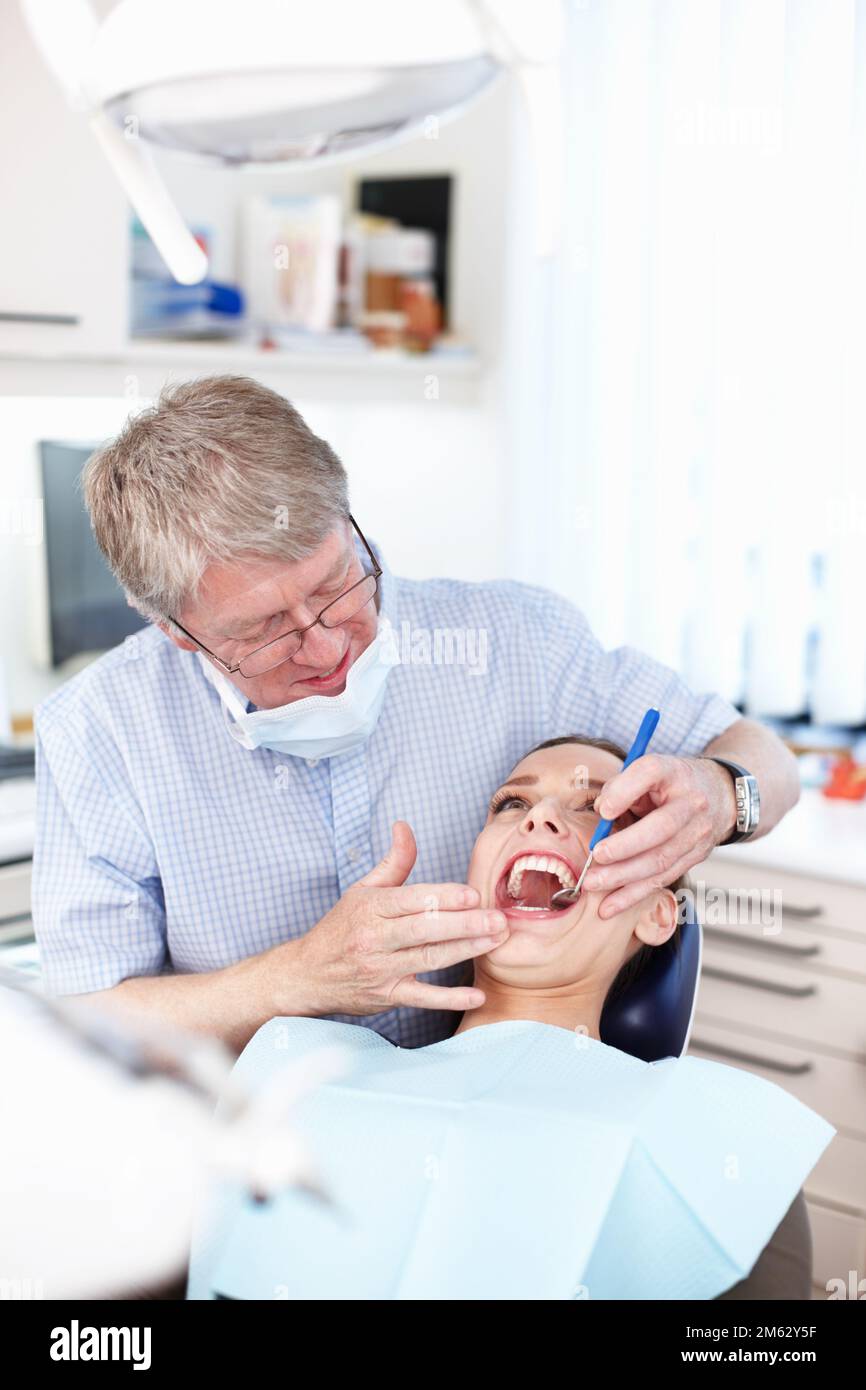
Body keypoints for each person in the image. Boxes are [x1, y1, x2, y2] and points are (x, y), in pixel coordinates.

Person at [32, 375, 801, 1054]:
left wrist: (724, 791)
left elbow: (764, 760)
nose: (326, 643)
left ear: (350, 521)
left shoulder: (516, 643)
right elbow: (85, 1026)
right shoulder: (100, 736)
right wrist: (294, 979)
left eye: (338, 583)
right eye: (263, 631)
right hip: (255, 1162)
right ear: (176, 630)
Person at [185, 734, 828, 1302]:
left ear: (658, 914)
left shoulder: (724, 1140)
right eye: (511, 805)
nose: (541, 818)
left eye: (596, 809)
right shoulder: (299, 1070)